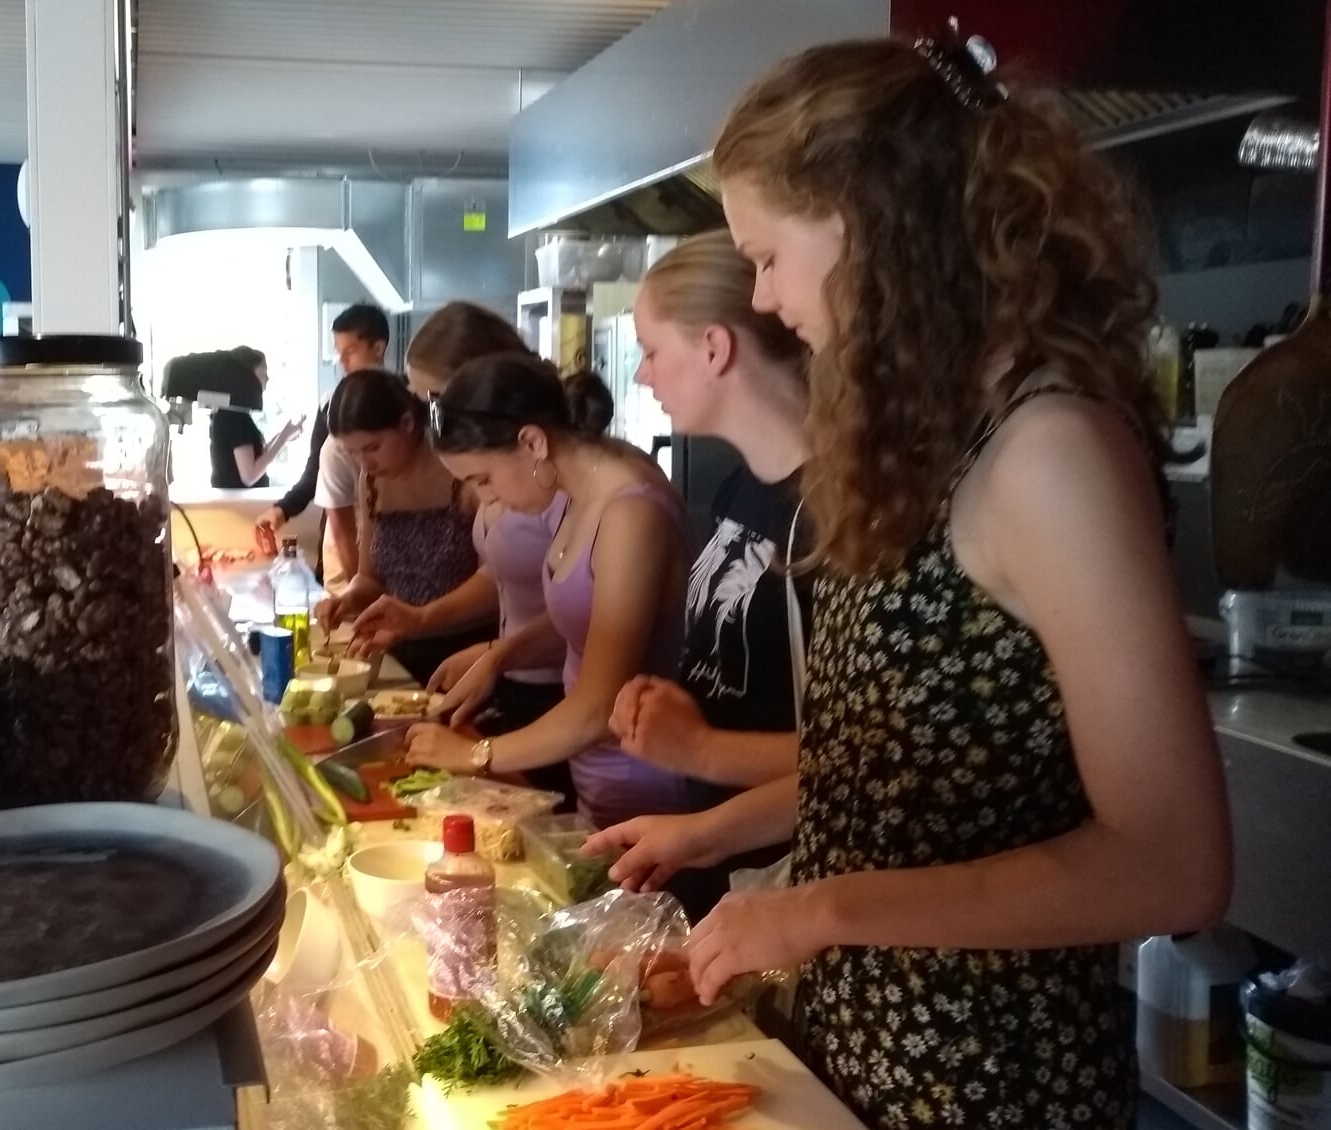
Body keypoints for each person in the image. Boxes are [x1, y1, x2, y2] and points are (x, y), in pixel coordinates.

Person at [670, 33, 1232, 1128]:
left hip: (984, 1086)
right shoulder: (931, 437)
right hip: (855, 1064)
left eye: (768, 253)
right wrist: (719, 842)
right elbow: (906, 772)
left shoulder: (1048, 449)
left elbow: (1173, 861)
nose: (764, 295)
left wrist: (822, 909)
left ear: (867, 220)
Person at [567, 231, 811, 918]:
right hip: (720, 851)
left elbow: (862, 760)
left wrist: (700, 748)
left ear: (714, 347)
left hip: (787, 883)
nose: (641, 375)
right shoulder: (740, 489)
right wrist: (666, 699)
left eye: (649, 350)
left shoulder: (829, 514)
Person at [403, 355, 700, 838]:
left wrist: (476, 754)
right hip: (599, 783)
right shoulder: (580, 488)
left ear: (533, 441)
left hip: (645, 788)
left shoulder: (629, 514)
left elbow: (598, 707)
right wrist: (502, 654)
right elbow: (587, 620)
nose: (489, 500)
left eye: (484, 479)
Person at [346, 301, 575, 802]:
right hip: (518, 681)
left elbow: (587, 614)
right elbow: (502, 576)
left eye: (434, 399)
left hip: (558, 696)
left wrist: (497, 653)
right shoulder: (506, 471)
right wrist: (427, 621)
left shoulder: (558, 482)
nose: (427, 417)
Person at [313, 369, 490, 682]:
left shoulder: (463, 475)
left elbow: (494, 587)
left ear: (408, 423)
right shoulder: (370, 482)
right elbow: (369, 578)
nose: (365, 463)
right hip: (394, 649)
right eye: (353, 452)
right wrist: (348, 599)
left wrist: (421, 620)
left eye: (372, 447)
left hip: (466, 654)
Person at [254, 304, 390, 580]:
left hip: (389, 537)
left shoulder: (404, 402)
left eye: (350, 351)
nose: (343, 362)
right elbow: (314, 473)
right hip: (338, 543)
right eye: (338, 353)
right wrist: (282, 510)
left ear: (378, 347)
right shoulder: (330, 404)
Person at [208, 346, 304, 489]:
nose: (267, 378)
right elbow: (249, 476)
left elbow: (255, 457)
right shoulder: (235, 418)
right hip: (240, 507)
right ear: (246, 378)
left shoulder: (230, 414)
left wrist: (284, 435)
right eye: (263, 373)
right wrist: (283, 436)